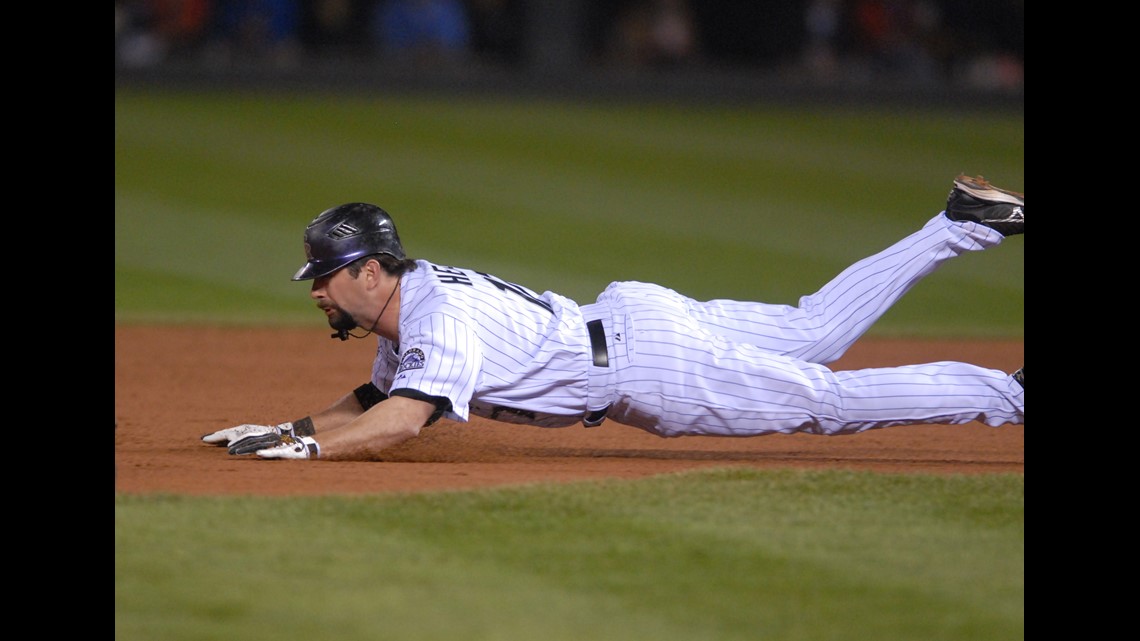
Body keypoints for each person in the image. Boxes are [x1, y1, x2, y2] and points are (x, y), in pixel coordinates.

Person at [202, 174, 1024, 461]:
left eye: (326, 276)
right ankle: (960, 223)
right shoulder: (413, 305)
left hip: (648, 372)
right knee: (813, 327)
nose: (316, 291)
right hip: (636, 320)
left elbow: (403, 424)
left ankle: (1012, 391)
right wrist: (283, 428)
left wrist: (305, 451)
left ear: (372, 271)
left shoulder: (435, 317)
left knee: (827, 399)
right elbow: (374, 400)